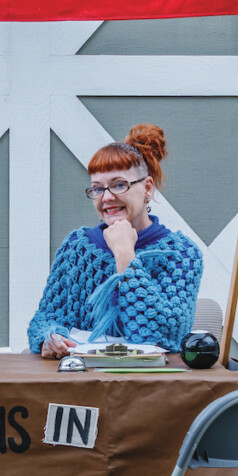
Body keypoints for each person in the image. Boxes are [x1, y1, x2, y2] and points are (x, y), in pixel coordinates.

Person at [28, 124, 203, 359]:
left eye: (119, 185)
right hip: (81, 384)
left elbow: (162, 336)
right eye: (97, 189)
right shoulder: (77, 248)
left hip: (152, 386)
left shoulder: (181, 254)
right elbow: (44, 319)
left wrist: (125, 255)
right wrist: (51, 337)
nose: (107, 198)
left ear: (147, 188)